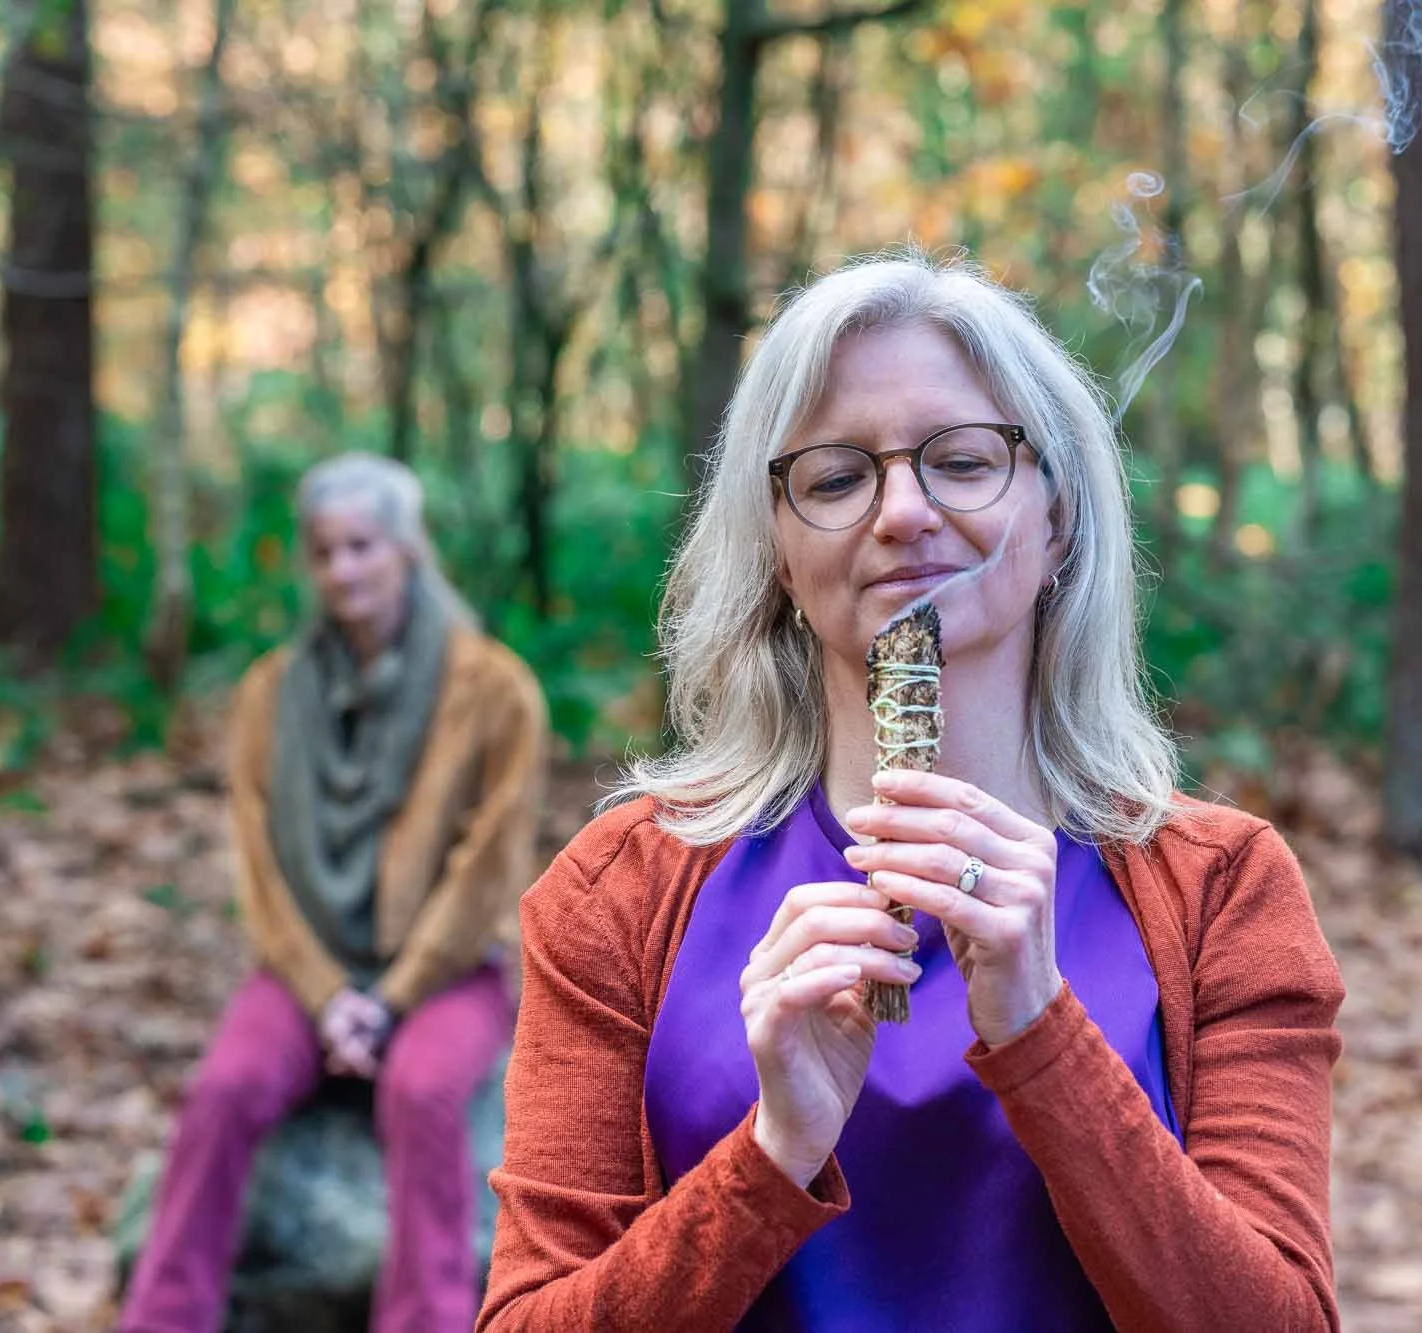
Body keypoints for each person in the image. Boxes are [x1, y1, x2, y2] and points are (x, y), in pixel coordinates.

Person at [478, 252, 1345, 1332]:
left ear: (1058, 519)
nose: (901, 512)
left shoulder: (1220, 888)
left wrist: (1041, 1034)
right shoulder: (621, 889)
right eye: (836, 478)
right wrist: (772, 1156)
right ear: (779, 552)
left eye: (963, 460)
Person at [122, 453, 549, 1333]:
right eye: (324, 551)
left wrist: (391, 1000)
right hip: (306, 970)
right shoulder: (270, 693)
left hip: (447, 972)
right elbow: (260, 866)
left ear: (406, 549)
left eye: (362, 546)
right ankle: (162, 1317)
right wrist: (326, 997)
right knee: (225, 1089)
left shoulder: (494, 689)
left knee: (423, 1095)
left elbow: (488, 868)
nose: (342, 569)